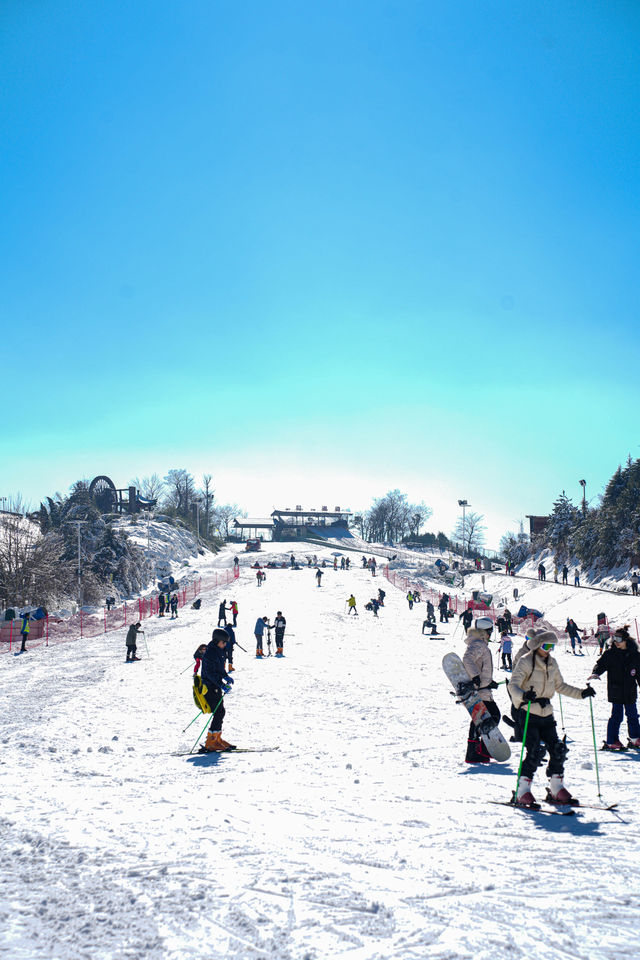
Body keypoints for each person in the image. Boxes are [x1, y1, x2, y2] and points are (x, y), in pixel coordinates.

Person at [508, 628, 595, 805]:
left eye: (552, 647)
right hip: (528, 712)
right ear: (538, 645)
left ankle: (556, 788)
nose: (549, 650)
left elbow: (560, 686)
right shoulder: (525, 661)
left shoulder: (552, 663)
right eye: (546, 646)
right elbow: (513, 685)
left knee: (558, 749)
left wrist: (581, 693)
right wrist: (523, 696)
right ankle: (522, 791)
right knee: (534, 752)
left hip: (546, 713)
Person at [588, 625, 640, 750]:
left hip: (630, 691)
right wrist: (596, 673)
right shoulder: (610, 654)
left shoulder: (635, 655)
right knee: (617, 715)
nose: (616, 642)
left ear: (626, 640)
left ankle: (635, 738)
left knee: (632, 714)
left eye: (619, 639)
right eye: (614, 639)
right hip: (615, 689)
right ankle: (612, 740)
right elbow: (601, 664)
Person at [462, 617, 501, 763]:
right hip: (479, 690)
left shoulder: (480, 644)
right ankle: (482, 749)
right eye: (490, 631)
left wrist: (489, 682)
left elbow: (479, 666)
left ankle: (475, 752)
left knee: (479, 719)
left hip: (482, 688)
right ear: (484, 632)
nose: (491, 635)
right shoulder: (479, 644)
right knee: (494, 715)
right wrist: (475, 677)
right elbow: (467, 659)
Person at [200, 629, 236, 751]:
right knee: (219, 712)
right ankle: (211, 741)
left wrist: (225, 676)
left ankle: (216, 738)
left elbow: (219, 668)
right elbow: (209, 673)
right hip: (210, 687)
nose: (225, 645)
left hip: (215, 687)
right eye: (223, 642)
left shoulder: (218, 651)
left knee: (220, 711)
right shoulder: (210, 653)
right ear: (218, 641)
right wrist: (221, 684)